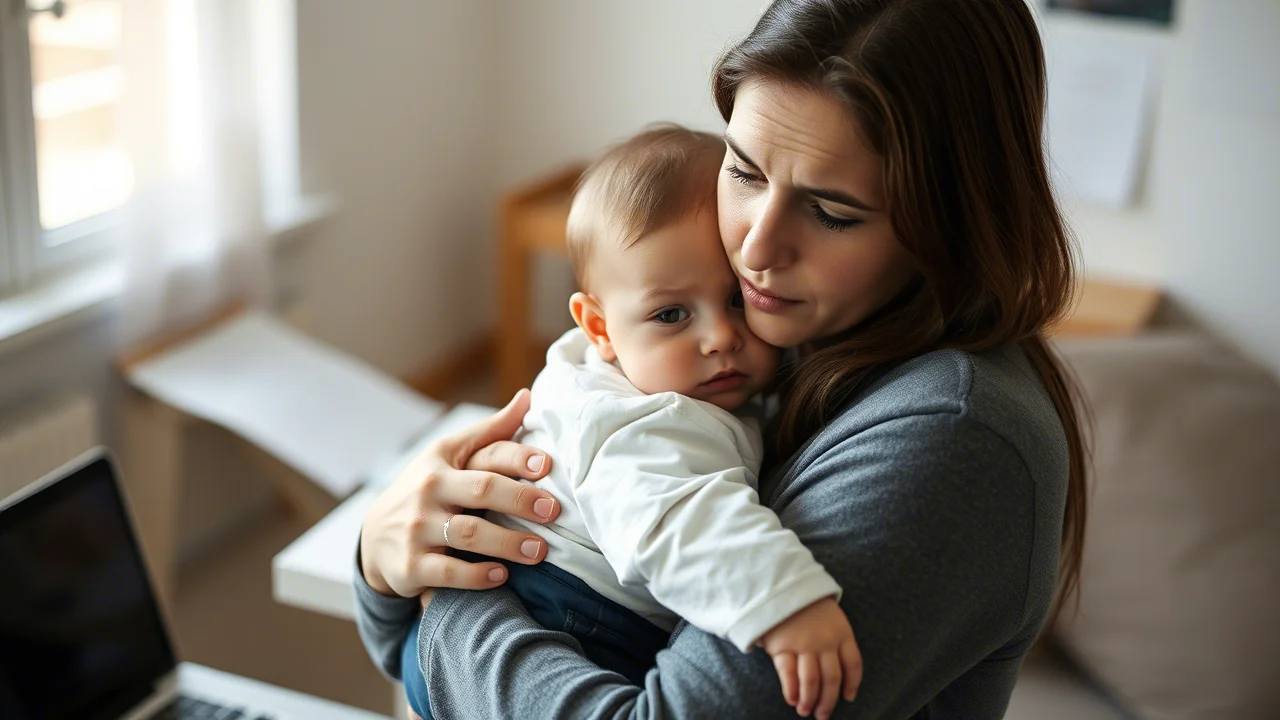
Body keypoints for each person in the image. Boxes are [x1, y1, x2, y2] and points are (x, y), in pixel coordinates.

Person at [354, 1, 1089, 718]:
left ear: (951, 222)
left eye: (832, 212)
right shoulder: (777, 333)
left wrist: (447, 610)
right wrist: (381, 557)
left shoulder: (952, 439)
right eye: (744, 171)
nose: (756, 250)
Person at [399, 125, 860, 720]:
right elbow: (678, 517)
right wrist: (784, 602)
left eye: (738, 300)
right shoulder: (637, 421)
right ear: (599, 329)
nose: (719, 337)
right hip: (565, 612)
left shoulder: (647, 375)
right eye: (671, 314)